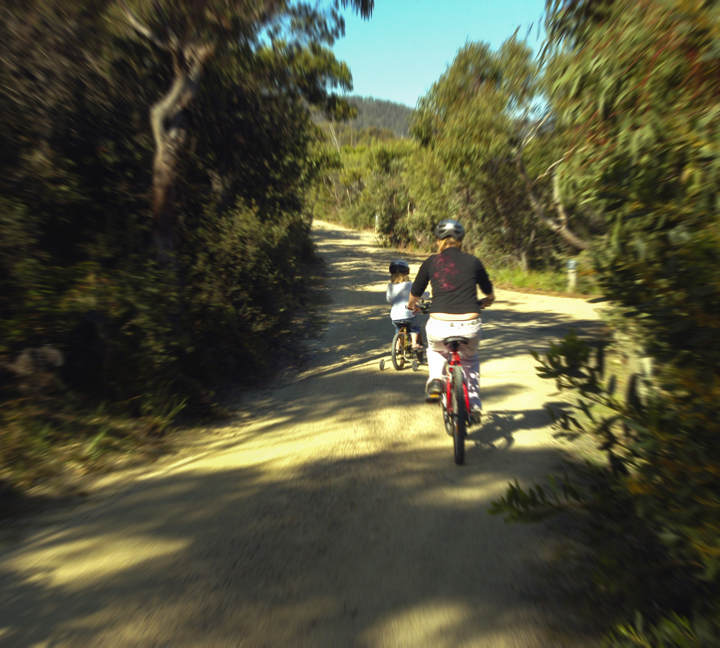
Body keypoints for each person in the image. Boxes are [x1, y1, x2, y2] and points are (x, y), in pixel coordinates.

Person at [406, 219, 495, 422]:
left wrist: (413, 306)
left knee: (436, 350)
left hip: (440, 325)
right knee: (470, 360)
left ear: (438, 241)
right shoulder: (473, 261)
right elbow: (489, 291)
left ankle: (436, 379)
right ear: (460, 240)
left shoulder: (431, 262)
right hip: (470, 325)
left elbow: (415, 294)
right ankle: (473, 405)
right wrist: (487, 301)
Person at [386, 260, 428, 349]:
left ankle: (397, 345)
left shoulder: (390, 286)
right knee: (414, 328)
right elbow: (419, 293)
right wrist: (427, 295)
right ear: (406, 273)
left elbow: (388, 299)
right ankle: (414, 343)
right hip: (408, 314)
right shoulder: (409, 284)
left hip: (395, 316)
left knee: (398, 329)